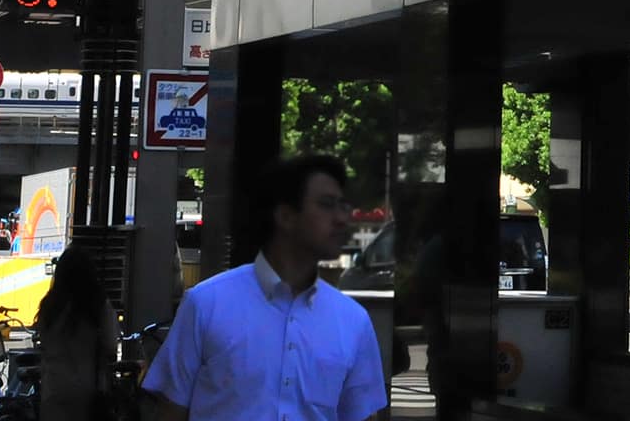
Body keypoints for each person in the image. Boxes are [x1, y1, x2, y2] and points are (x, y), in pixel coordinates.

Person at [141, 154, 387, 421]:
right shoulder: (206, 304)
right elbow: (171, 411)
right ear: (286, 216)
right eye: (326, 204)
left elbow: (363, 415)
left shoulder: (352, 320)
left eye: (343, 205)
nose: (341, 218)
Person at [37, 243, 120, 421]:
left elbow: (42, 340)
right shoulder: (98, 306)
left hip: (53, 387)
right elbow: (111, 345)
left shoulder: (49, 306)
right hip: (87, 389)